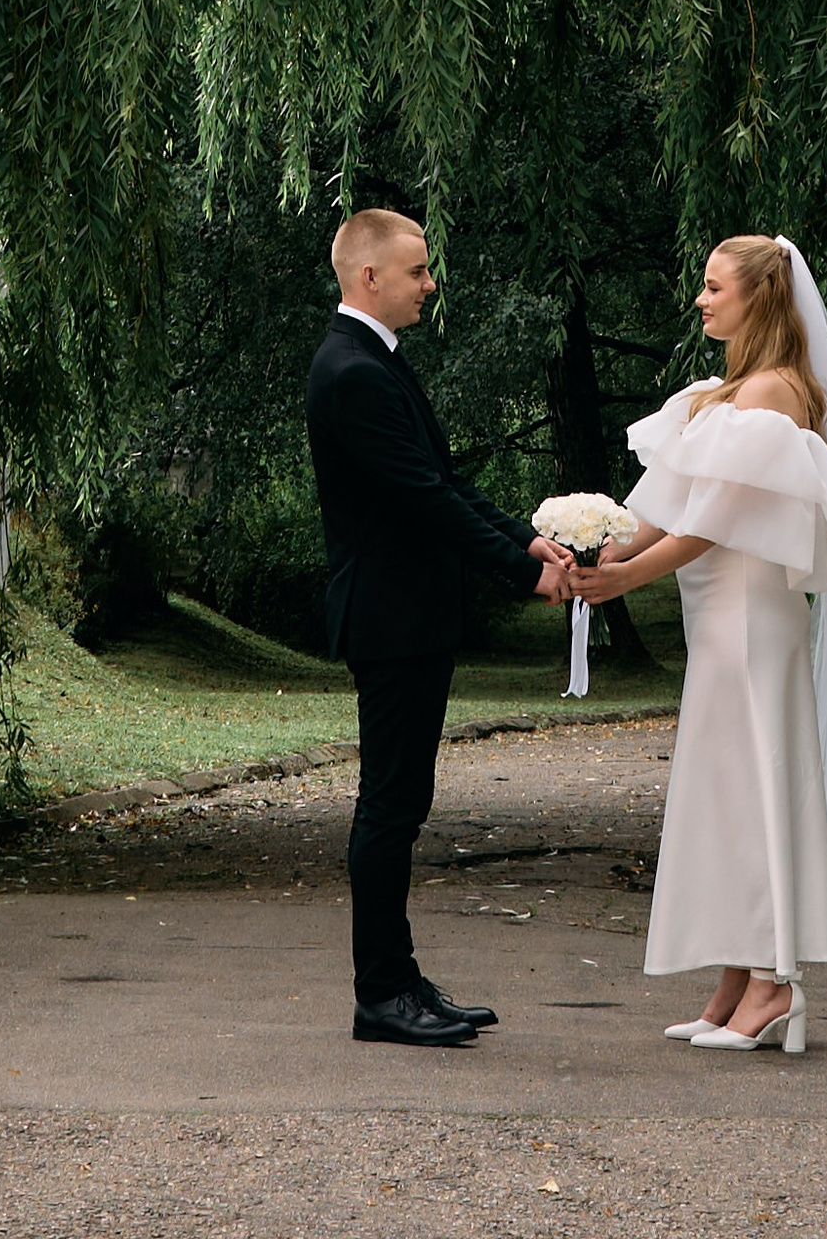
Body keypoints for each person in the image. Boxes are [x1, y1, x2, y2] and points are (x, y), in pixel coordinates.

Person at [579, 232, 827, 1055]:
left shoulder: (776, 392)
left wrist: (628, 578)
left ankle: (774, 982)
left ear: (760, 297)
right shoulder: (726, 392)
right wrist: (600, 545)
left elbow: (714, 521)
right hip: (720, 617)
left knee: (754, 783)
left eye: (716, 287)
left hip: (751, 615)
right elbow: (670, 499)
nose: (701, 299)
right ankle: (734, 978)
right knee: (724, 787)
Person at [305, 207, 580, 1049]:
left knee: (402, 803)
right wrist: (526, 574)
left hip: (408, 617)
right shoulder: (352, 371)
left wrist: (525, 540)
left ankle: (399, 980)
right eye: (418, 270)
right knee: (390, 807)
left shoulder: (375, 360)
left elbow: (443, 482)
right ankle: (382, 994)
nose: (430, 284)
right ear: (370, 277)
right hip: (390, 619)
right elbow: (421, 501)